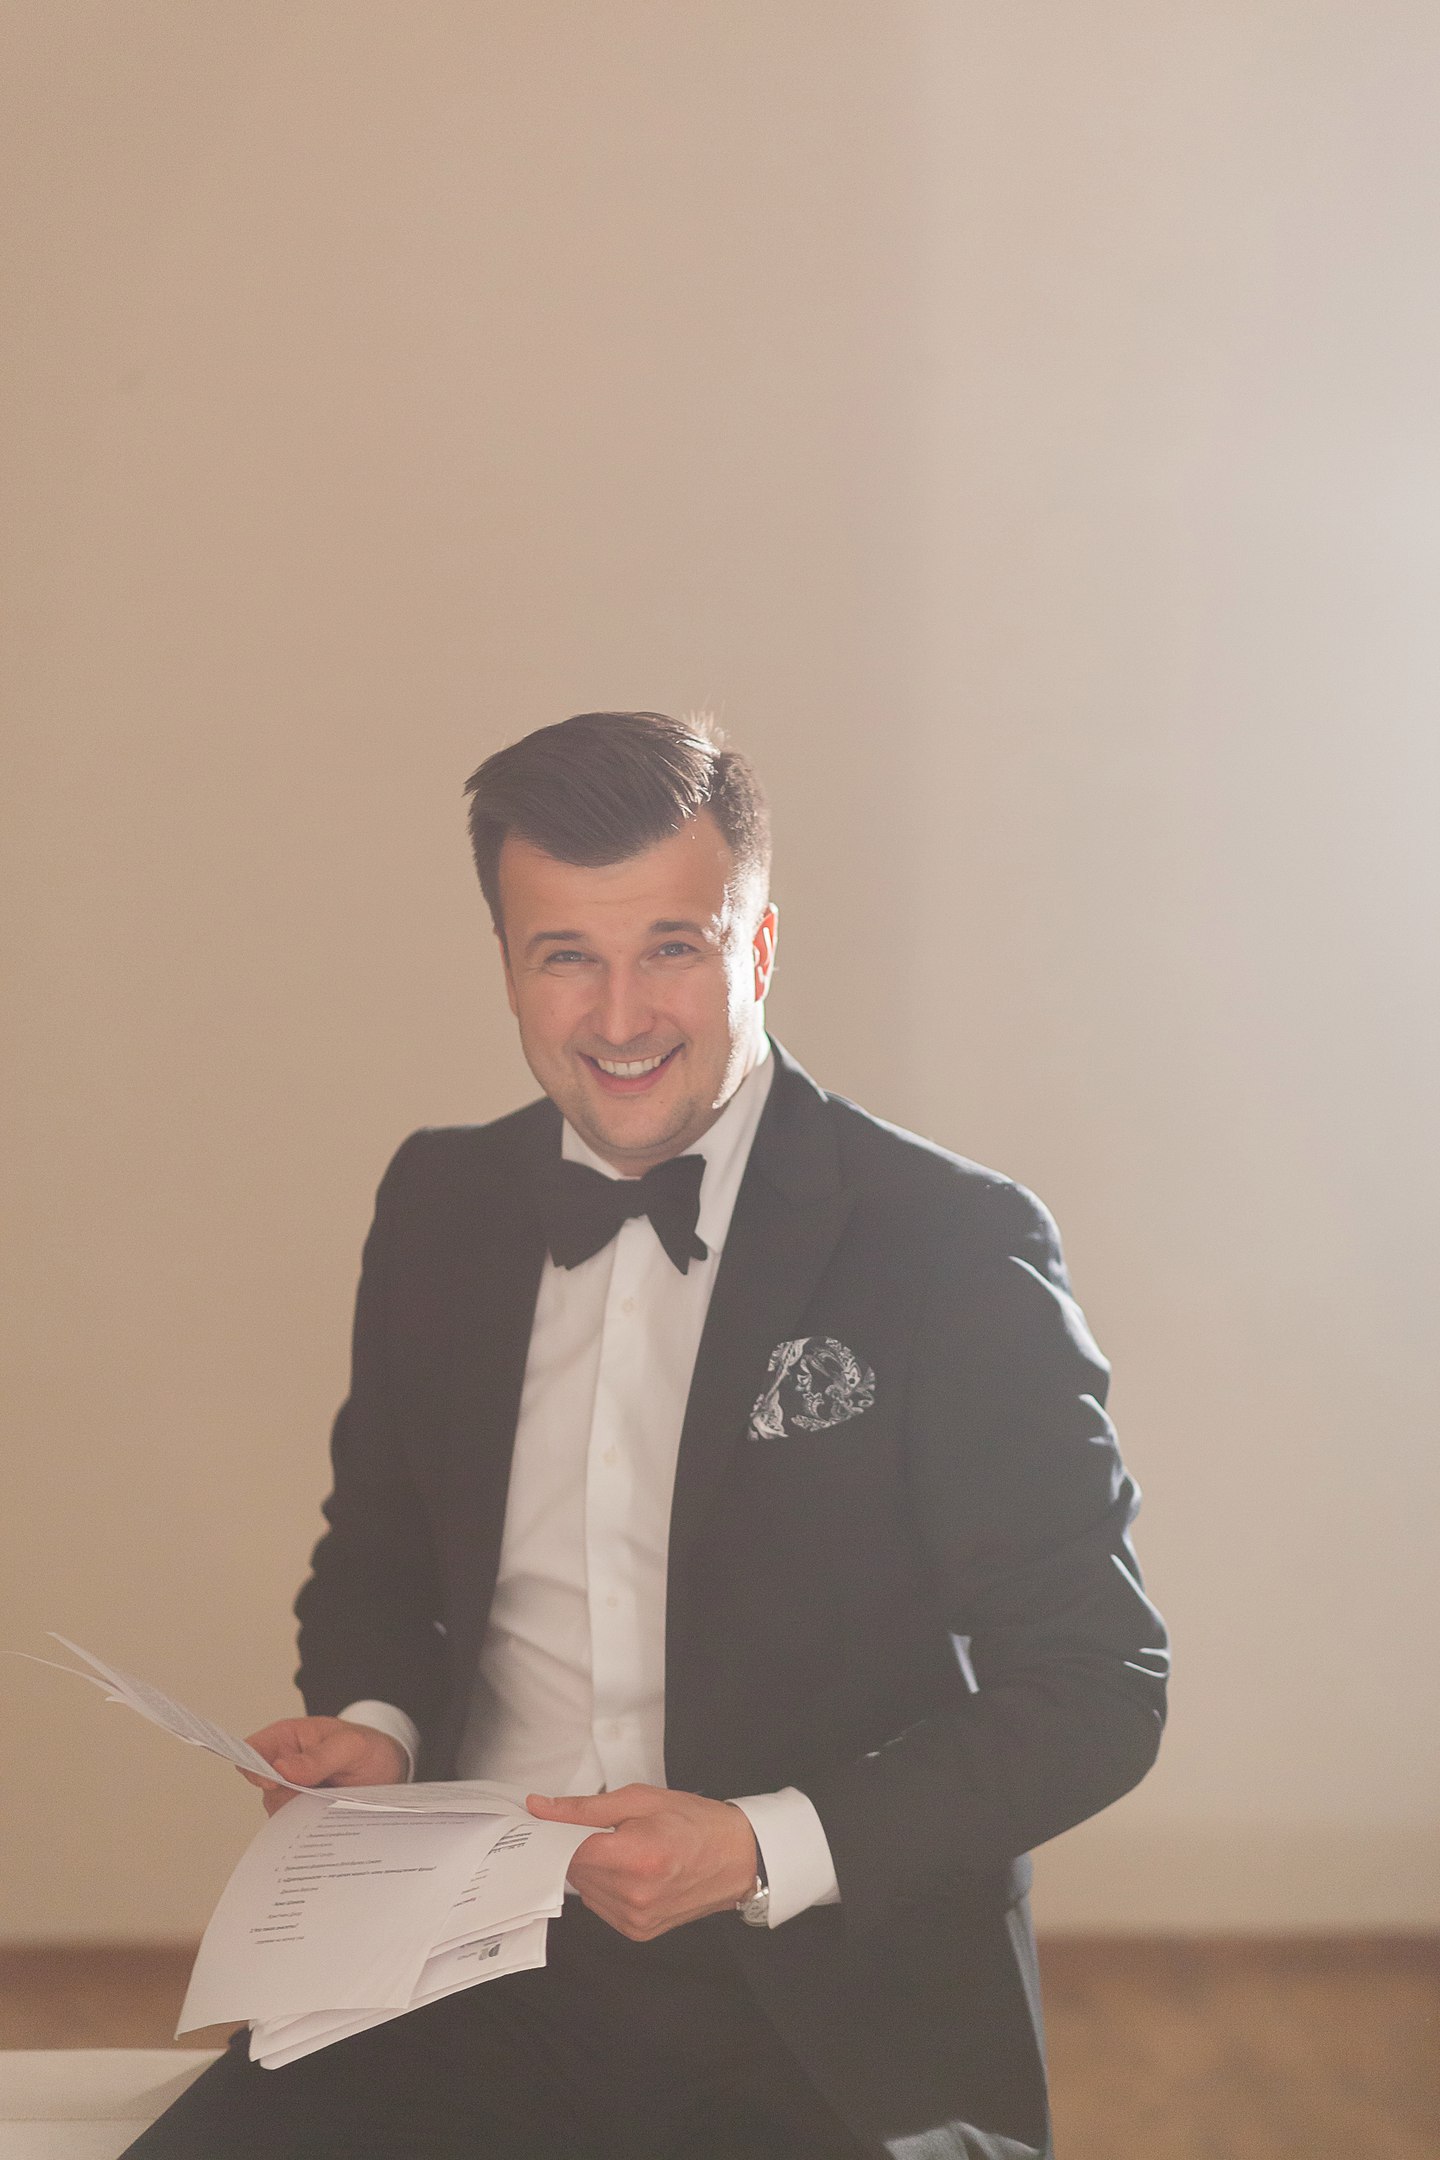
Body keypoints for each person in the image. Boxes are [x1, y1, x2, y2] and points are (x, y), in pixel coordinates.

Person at [130, 711, 1168, 2160]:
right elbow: (377, 1556)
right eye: (568, 956)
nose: (620, 1019)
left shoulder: (949, 1242)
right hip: (453, 1963)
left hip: (826, 1994)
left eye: (671, 947)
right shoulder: (439, 1203)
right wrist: (379, 1725)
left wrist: (761, 1845)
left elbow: (1100, 1687)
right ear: (507, 964)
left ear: (760, 946)